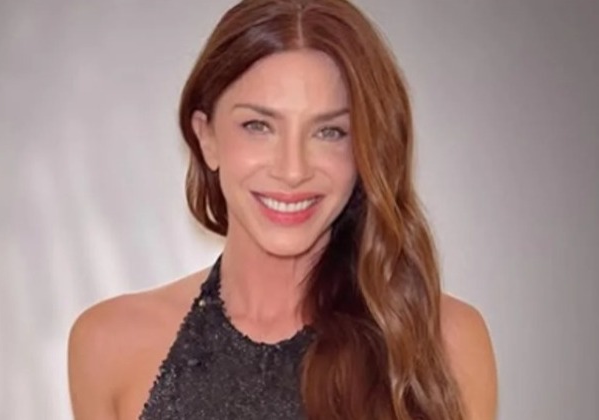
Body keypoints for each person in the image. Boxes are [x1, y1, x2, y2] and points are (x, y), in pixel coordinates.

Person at [68, 0, 498, 419]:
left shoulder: (445, 344)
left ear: (367, 149)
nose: (293, 171)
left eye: (330, 132)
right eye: (259, 126)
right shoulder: (110, 344)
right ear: (206, 137)